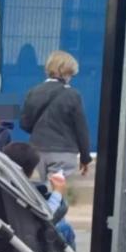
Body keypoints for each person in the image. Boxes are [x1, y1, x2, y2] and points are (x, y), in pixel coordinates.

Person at [19, 50, 92, 178]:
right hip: (64, 152)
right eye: (71, 74)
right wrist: (85, 158)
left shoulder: (33, 92)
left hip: (36, 151)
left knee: (37, 193)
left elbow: (24, 124)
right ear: (67, 73)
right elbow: (81, 130)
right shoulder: (73, 95)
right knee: (56, 192)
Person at [2, 142, 78, 250]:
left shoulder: (0, 186)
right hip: (28, 239)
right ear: (32, 170)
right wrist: (57, 191)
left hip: (5, 235)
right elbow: (46, 215)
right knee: (65, 228)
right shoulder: (24, 192)